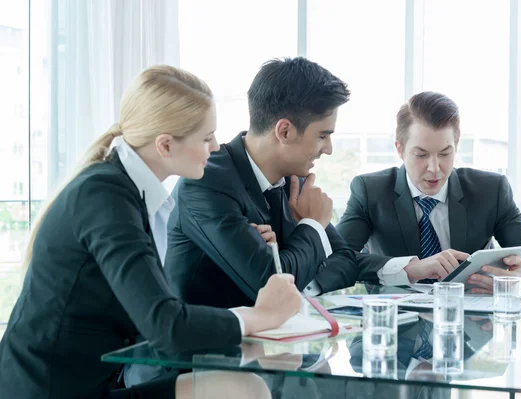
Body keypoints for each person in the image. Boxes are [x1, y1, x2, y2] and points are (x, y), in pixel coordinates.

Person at [0, 65, 303, 399]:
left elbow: (156, 310)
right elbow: (166, 326)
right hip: (50, 392)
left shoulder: (127, 192)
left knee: (243, 386)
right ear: (165, 145)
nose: (216, 147)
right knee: (241, 389)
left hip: (92, 382)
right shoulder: (105, 196)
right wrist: (262, 315)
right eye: (206, 137)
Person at [165, 57, 392, 309]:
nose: (327, 149)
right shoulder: (206, 181)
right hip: (207, 343)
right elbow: (268, 284)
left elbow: (345, 260)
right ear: (284, 131)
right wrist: (312, 225)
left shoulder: (295, 177)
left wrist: (296, 274)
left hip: (279, 337)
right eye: (322, 136)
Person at [337, 91, 521, 292]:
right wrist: (411, 268)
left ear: (456, 144)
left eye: (445, 153)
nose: (434, 168)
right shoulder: (370, 191)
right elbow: (335, 261)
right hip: (393, 325)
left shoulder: (490, 190)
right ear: (400, 149)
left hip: (469, 325)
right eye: (421, 155)